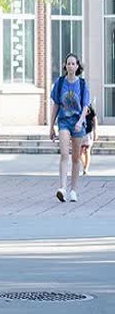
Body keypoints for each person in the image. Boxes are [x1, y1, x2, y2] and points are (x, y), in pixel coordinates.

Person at [50, 53, 90, 202]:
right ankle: (62, 188)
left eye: (73, 63)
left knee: (75, 158)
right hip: (64, 122)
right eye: (68, 63)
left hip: (78, 124)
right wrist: (51, 126)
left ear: (78, 66)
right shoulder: (60, 83)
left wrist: (80, 122)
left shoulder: (83, 84)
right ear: (65, 66)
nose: (71, 66)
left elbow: (85, 106)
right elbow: (56, 105)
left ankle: (73, 190)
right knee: (64, 154)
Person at [81, 104, 98, 175]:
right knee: (79, 152)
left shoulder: (89, 106)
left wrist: (95, 131)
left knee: (87, 150)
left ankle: (86, 168)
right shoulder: (77, 105)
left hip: (89, 131)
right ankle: (85, 165)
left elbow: (95, 118)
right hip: (79, 132)